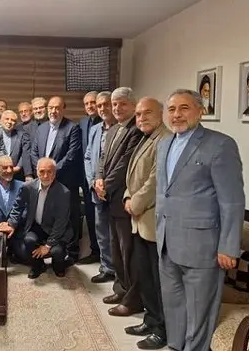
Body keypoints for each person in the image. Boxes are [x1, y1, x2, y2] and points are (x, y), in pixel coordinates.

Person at [157, 89, 245, 351]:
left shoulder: (220, 145)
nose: (176, 115)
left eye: (184, 108)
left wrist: (229, 246)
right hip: (167, 241)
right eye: (172, 109)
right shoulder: (164, 144)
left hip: (202, 245)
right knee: (173, 307)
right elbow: (164, 192)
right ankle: (175, 346)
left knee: (199, 314)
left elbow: (232, 200)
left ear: (201, 111)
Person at [123, 98, 171, 350]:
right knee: (145, 276)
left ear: (160, 114)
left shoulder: (165, 140)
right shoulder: (146, 137)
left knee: (158, 279)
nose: (141, 118)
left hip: (153, 221)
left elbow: (155, 181)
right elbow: (133, 175)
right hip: (140, 220)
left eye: (147, 113)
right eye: (138, 114)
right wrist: (127, 197)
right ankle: (151, 320)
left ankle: (163, 330)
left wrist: (136, 203)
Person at [95, 87, 143, 317]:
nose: (117, 108)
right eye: (114, 104)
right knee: (116, 251)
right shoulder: (114, 129)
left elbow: (125, 164)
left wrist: (106, 185)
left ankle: (133, 300)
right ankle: (121, 290)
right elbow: (103, 159)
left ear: (133, 105)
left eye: (122, 103)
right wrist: (98, 179)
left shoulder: (136, 130)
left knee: (128, 253)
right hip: (109, 199)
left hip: (124, 200)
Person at [0, 157, 73, 279]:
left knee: (57, 252)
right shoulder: (28, 186)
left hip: (56, 229)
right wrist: (11, 224)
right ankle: (38, 265)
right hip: (37, 226)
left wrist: (47, 246)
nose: (45, 176)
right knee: (29, 240)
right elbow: (18, 207)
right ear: (36, 171)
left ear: (55, 173)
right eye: (42, 171)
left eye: (49, 172)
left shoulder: (64, 192)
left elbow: (61, 222)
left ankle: (58, 265)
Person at [31, 96, 82, 263]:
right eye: (51, 108)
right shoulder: (41, 128)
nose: (53, 111)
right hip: (44, 180)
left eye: (57, 108)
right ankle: (46, 250)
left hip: (65, 179)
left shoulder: (72, 128)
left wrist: (51, 172)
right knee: (45, 214)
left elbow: (71, 155)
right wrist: (42, 173)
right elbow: (34, 152)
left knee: (70, 216)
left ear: (63, 109)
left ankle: (71, 253)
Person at [84, 91, 116, 283]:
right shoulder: (95, 129)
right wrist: (93, 182)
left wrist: (106, 184)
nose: (103, 108)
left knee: (117, 234)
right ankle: (107, 268)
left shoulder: (123, 129)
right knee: (101, 231)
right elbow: (88, 157)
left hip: (116, 191)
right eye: (100, 105)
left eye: (106, 104)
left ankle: (120, 271)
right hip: (97, 190)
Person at [78, 91, 102, 264]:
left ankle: (106, 256)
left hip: (102, 180)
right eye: (86, 104)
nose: (90, 106)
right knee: (91, 216)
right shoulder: (83, 122)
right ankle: (95, 250)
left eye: (93, 102)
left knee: (103, 220)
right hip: (86, 179)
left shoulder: (107, 122)